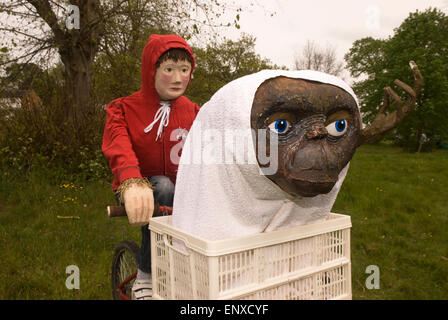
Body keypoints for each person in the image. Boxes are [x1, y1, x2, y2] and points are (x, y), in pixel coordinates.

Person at [102, 34, 199, 300]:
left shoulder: (193, 111)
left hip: (181, 191)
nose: (179, 78)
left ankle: (186, 268)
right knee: (163, 187)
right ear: (151, 70)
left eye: (184, 70)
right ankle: (146, 274)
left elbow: (209, 150)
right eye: (169, 69)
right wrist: (132, 181)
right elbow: (118, 147)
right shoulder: (123, 108)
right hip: (137, 188)